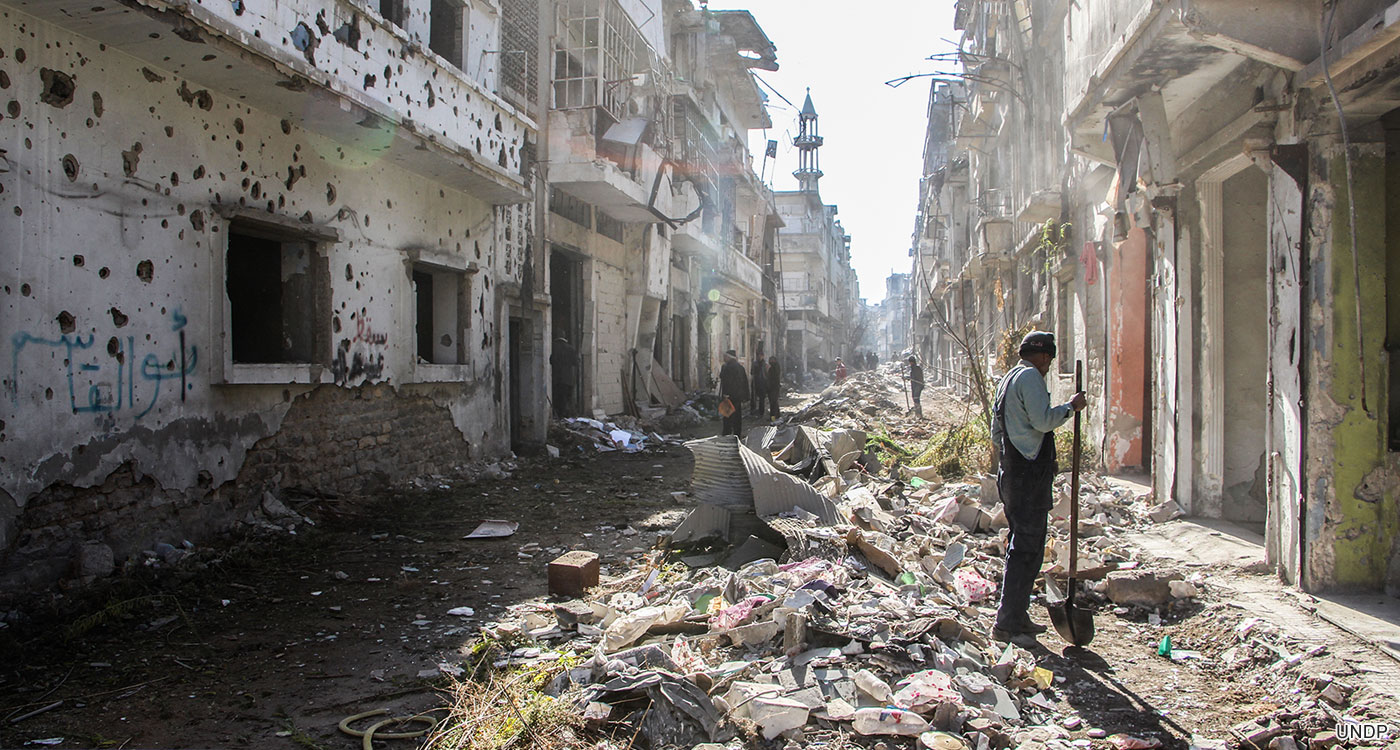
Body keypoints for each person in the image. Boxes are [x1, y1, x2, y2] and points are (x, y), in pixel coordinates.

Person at [990, 331, 1087, 643]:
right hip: (1028, 476)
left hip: (1010, 472)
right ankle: (1008, 622)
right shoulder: (1031, 377)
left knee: (1021, 546)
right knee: (1028, 550)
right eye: (1050, 359)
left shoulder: (1008, 377)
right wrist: (1070, 408)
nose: (1048, 365)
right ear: (1045, 356)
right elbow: (1044, 422)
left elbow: (996, 432)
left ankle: (1016, 615)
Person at [718, 349, 750, 436]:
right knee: (737, 416)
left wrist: (726, 395)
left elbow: (726, 380)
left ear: (729, 357)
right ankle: (737, 434)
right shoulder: (740, 367)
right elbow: (745, 382)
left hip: (729, 396)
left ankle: (727, 434)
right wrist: (746, 396)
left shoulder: (727, 367)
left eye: (725, 356)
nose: (724, 358)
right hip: (738, 396)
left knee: (728, 417)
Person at [751, 346, 768, 418]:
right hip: (755, 382)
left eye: (760, 356)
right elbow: (751, 372)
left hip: (763, 383)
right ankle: (753, 410)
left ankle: (761, 412)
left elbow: (767, 374)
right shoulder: (754, 364)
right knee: (753, 397)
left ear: (763, 356)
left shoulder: (765, 365)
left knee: (762, 398)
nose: (759, 357)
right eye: (758, 356)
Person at [766, 355, 782, 420]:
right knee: (774, 403)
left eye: (771, 360)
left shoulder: (774, 368)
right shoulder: (775, 367)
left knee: (773, 403)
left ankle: (773, 418)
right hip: (774, 387)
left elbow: (772, 378)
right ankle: (777, 415)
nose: (770, 361)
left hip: (773, 387)